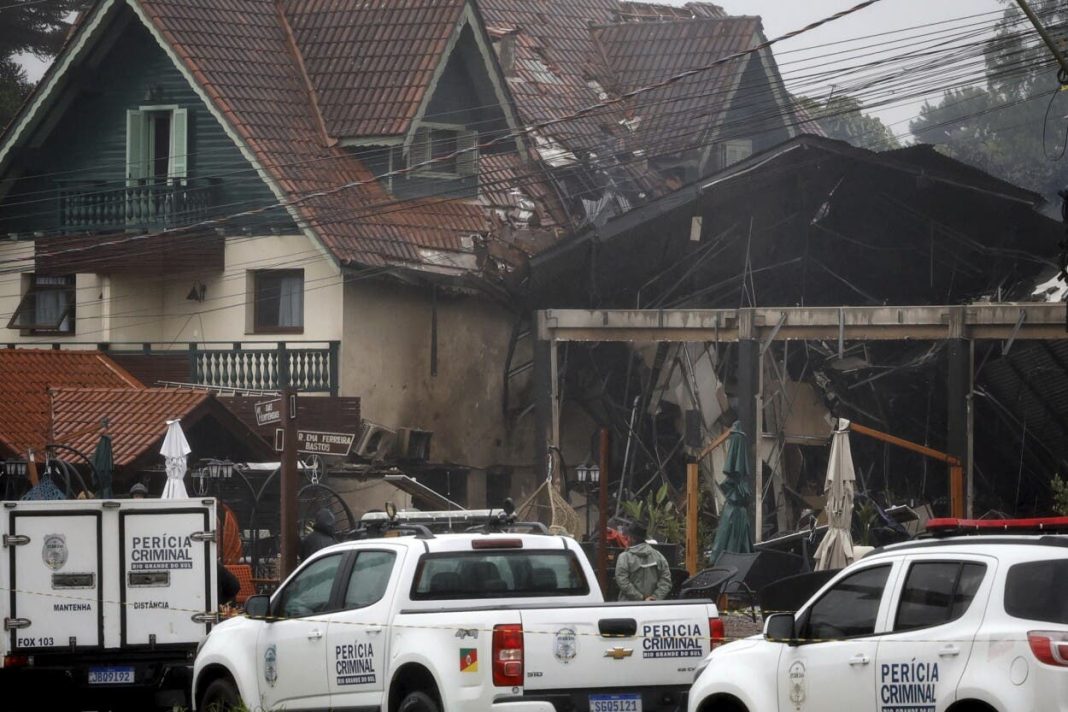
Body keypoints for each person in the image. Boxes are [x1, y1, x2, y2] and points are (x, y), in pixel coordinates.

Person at [614, 520, 672, 601]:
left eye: (628, 537)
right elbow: (666, 581)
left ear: (633, 539)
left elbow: (622, 582)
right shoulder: (659, 556)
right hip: (653, 606)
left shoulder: (624, 557)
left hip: (628, 606)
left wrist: (642, 598)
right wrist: (654, 598)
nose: (627, 539)